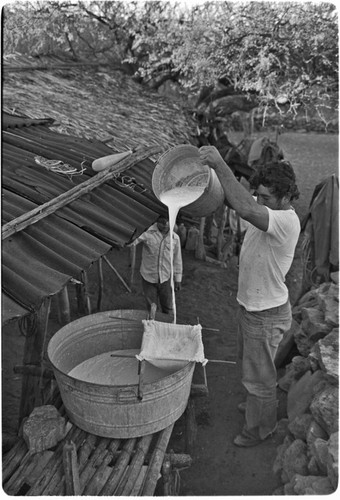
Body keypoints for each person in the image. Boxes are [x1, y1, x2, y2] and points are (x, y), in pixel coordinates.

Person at [199, 145, 300, 447]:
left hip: (265, 314)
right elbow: (239, 202)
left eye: (267, 197)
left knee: (260, 379)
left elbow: (244, 208)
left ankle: (258, 430)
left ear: (286, 197)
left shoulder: (285, 222)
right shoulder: (265, 212)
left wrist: (219, 163)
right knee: (251, 367)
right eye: (258, 195)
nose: (260, 201)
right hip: (253, 308)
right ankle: (258, 404)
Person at [129, 215, 182, 317]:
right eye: (162, 221)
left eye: (168, 221)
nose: (166, 224)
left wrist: (178, 278)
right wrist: (131, 237)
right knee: (152, 308)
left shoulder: (175, 238)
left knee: (168, 307)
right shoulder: (147, 233)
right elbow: (132, 242)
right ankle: (152, 328)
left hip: (166, 279)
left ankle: (167, 328)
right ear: (157, 220)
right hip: (148, 278)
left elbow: (177, 259)